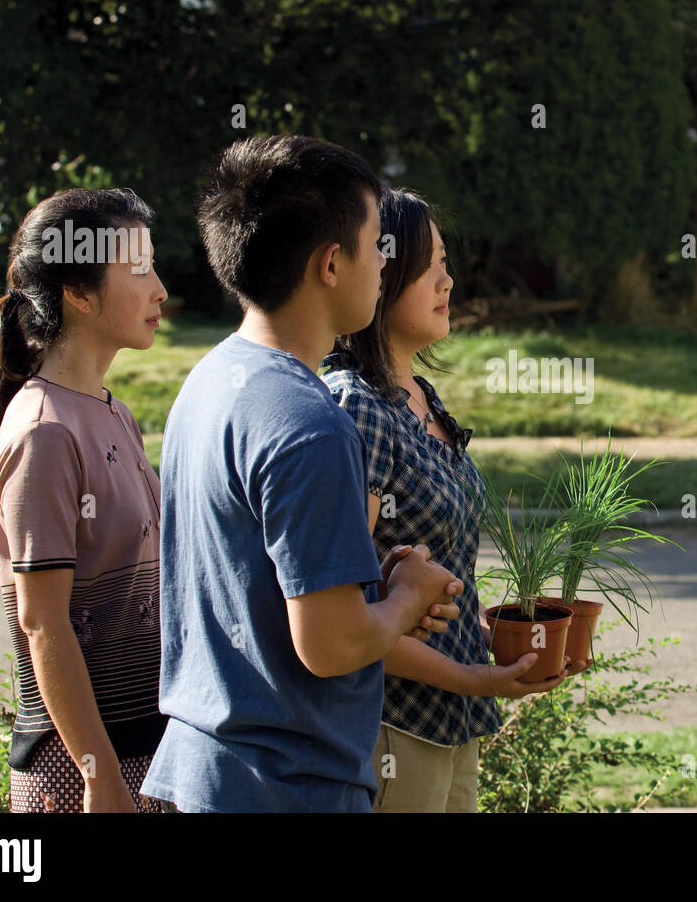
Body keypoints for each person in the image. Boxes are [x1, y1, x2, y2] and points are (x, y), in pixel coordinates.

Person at [140, 135, 463, 813]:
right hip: (290, 787)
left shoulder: (209, 382)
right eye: (378, 243)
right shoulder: (311, 422)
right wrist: (404, 597)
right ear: (331, 264)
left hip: (205, 773)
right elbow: (331, 643)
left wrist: (371, 582)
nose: (386, 263)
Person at [323, 188, 572, 813]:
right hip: (396, 725)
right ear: (382, 270)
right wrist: (479, 678)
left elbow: (433, 564)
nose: (448, 280)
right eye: (430, 264)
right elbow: (347, 610)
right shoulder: (357, 407)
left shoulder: (420, 395)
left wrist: (486, 628)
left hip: (453, 723)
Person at [0, 188, 169, 813]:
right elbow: (43, 622)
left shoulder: (114, 412)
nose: (160, 289)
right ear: (79, 294)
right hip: (82, 773)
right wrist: (98, 773)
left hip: (149, 753)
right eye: (138, 269)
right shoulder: (44, 432)